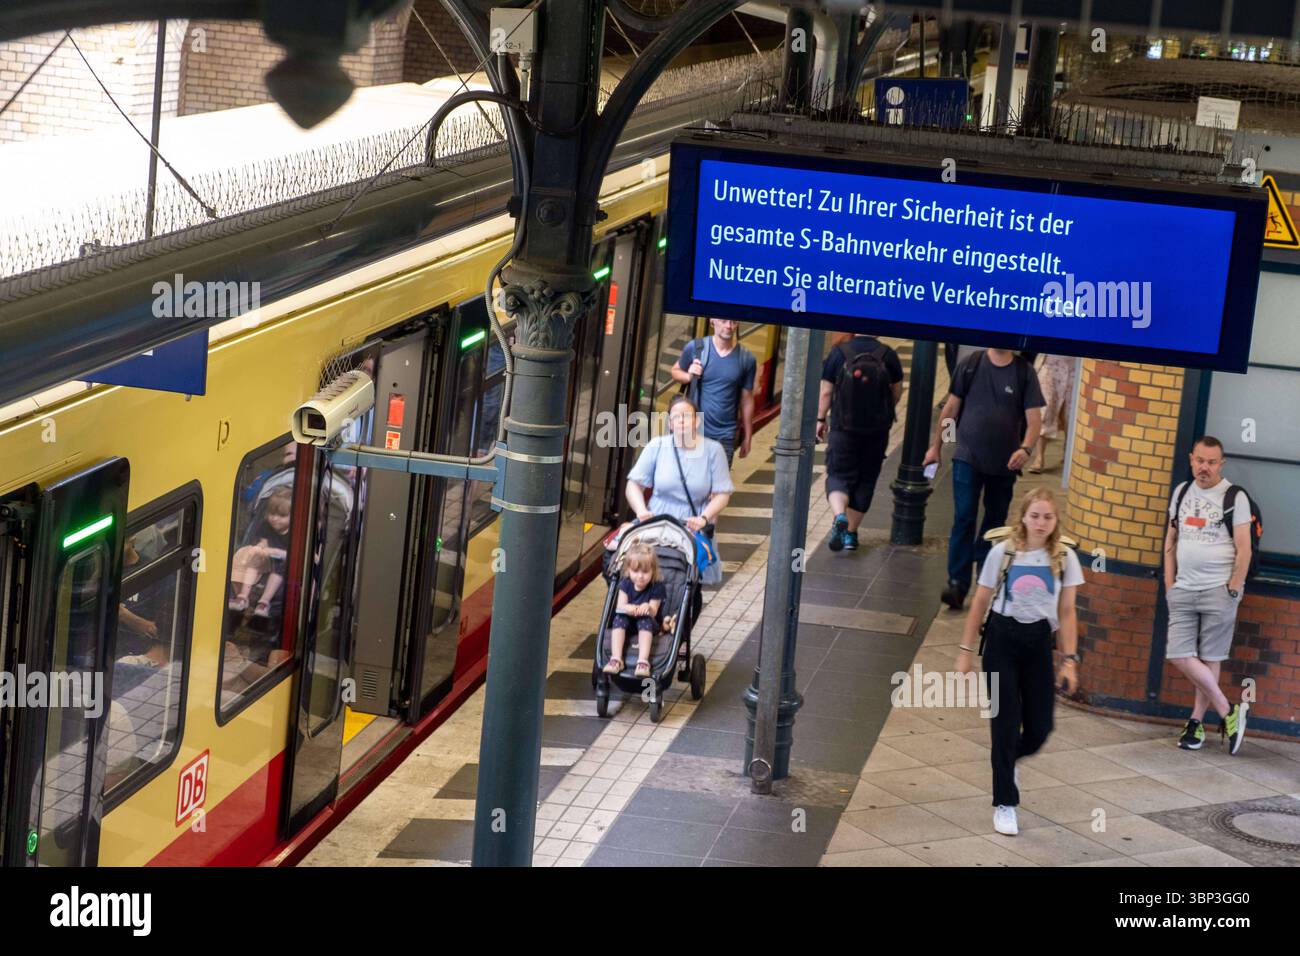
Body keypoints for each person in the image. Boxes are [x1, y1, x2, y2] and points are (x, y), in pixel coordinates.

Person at [956, 487, 1083, 836]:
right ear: (1023, 517)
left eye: (1048, 517)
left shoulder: (1064, 559)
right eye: (1035, 515)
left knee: (1041, 727)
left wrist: (1069, 660)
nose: (1041, 523)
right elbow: (979, 603)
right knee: (1005, 722)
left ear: (1056, 521)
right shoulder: (1003, 552)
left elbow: (1068, 613)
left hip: (1039, 642)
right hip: (1001, 640)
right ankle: (1004, 803)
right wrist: (965, 653)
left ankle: (1008, 759)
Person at [925, 347, 1045, 609]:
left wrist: (1025, 449)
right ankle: (957, 582)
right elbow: (951, 409)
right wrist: (939, 447)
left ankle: (984, 575)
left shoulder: (1024, 372)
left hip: (1005, 463)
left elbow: (1034, 420)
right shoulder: (971, 364)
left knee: (994, 521)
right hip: (967, 456)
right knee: (964, 516)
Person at [1164, 436, 1251, 754]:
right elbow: (1170, 540)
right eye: (1200, 460)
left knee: (1211, 658)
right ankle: (1229, 710)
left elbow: (1244, 549)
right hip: (1183, 588)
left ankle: (1196, 723)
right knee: (1178, 654)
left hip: (1219, 589)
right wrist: (1169, 584)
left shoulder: (1234, 496)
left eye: (1212, 462)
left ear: (1221, 464)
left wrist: (1233, 588)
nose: (1205, 467)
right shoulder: (1182, 492)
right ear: (1191, 459)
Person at [816, 332, 904, 552]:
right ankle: (851, 535)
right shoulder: (888, 355)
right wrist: (882, 413)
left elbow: (826, 392)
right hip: (876, 432)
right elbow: (896, 392)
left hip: (843, 429)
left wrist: (820, 419)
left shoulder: (838, 353)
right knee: (866, 480)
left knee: (838, 475)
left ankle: (839, 516)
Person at [625, 394, 733, 532]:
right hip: (657, 523)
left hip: (694, 526)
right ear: (670, 424)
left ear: (697, 421)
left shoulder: (714, 450)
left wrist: (704, 518)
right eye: (676, 417)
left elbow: (722, 493)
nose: (681, 420)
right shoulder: (656, 445)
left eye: (687, 416)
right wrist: (641, 511)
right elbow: (634, 484)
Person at [670, 318, 756, 465]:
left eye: (733, 322)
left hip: (725, 437)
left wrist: (748, 436)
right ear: (712, 321)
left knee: (718, 486)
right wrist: (689, 376)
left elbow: (746, 399)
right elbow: (675, 371)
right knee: (693, 483)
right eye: (723, 321)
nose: (729, 326)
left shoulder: (747, 359)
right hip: (694, 432)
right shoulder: (696, 348)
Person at [604, 543, 667, 679]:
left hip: (650, 623)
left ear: (653, 571)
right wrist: (629, 608)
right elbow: (620, 606)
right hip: (629, 622)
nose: (640, 576)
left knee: (644, 619)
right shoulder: (626, 584)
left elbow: (654, 611)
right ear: (628, 571)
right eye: (635, 571)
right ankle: (616, 659)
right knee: (619, 618)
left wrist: (648, 607)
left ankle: (643, 661)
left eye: (645, 572)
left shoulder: (657, 586)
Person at [229, 486, 291, 617]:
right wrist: (259, 549)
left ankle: (264, 602)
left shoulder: (295, 532)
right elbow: (264, 542)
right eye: (272, 514)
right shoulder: (266, 525)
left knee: (279, 569)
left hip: (285, 562)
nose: (275, 519)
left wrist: (278, 553)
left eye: (282, 516)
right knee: (254, 560)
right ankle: (243, 596)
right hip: (269, 558)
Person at [1028, 355, 1075, 473]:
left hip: (1076, 365)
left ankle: (1068, 452)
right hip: (1051, 364)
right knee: (1045, 410)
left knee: (1071, 413)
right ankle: (1039, 458)